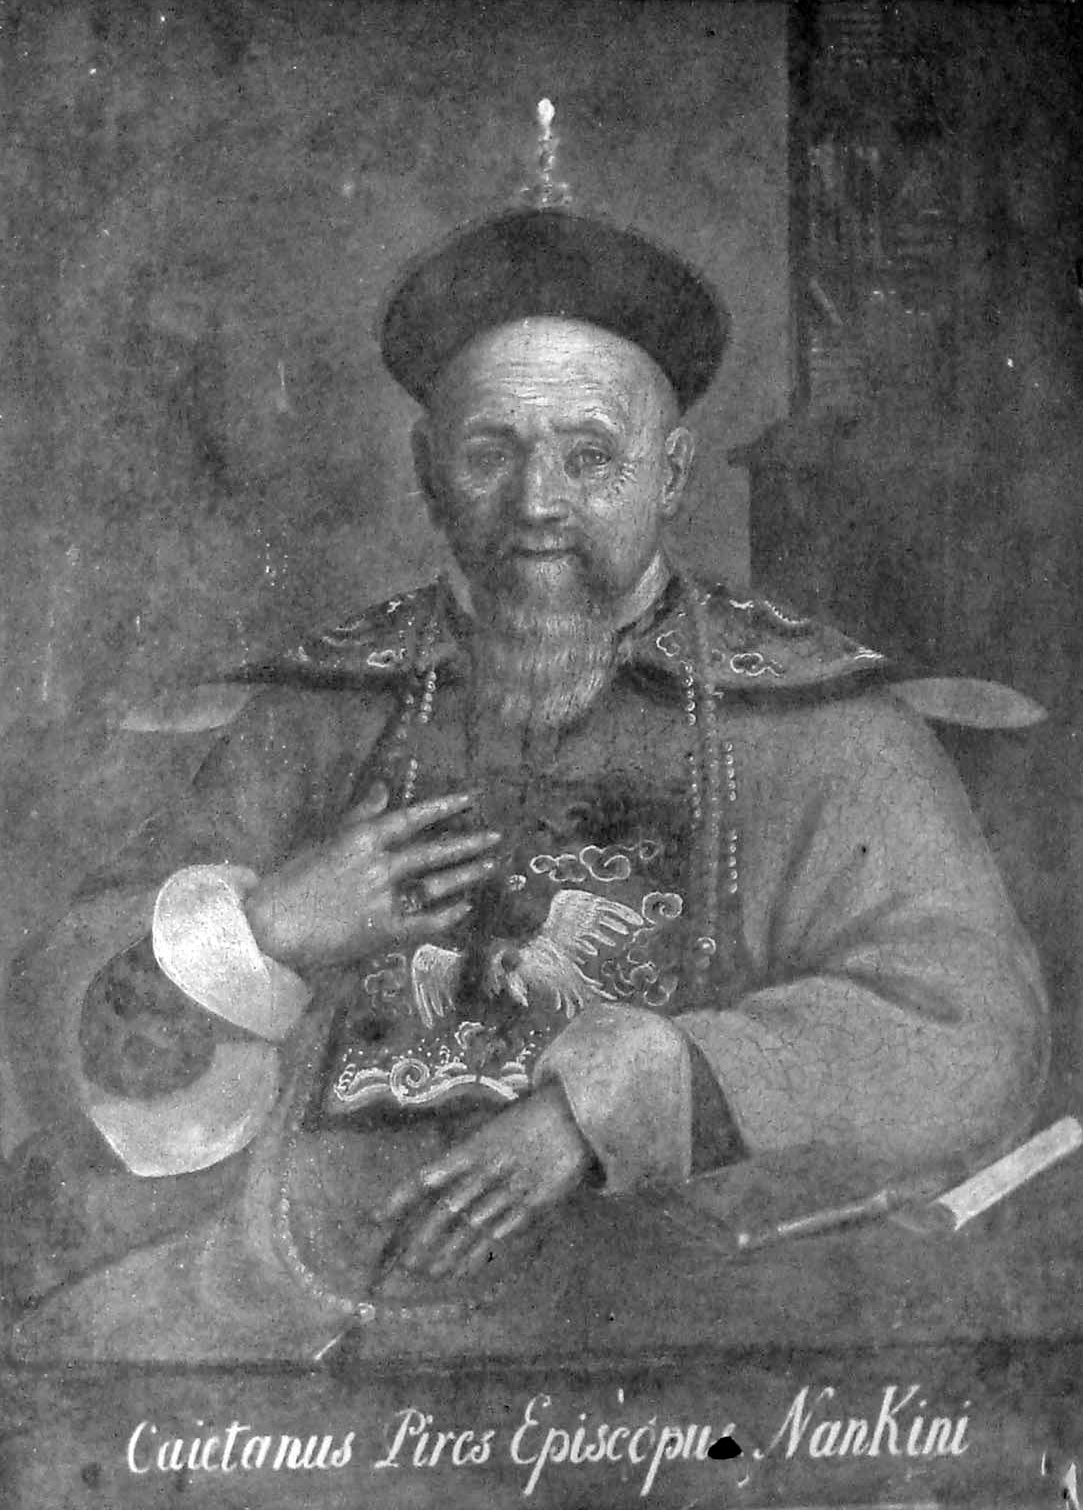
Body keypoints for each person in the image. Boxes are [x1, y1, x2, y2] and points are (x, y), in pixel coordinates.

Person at [2, 205, 1049, 1362]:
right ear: (428, 471)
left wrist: (613, 1109)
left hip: (690, 1304)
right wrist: (259, 931)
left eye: (590, 456)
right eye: (491, 453)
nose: (538, 501)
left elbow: (974, 1031)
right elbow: (63, 1003)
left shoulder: (824, 723)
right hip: (304, 1287)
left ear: (672, 474)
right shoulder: (318, 711)